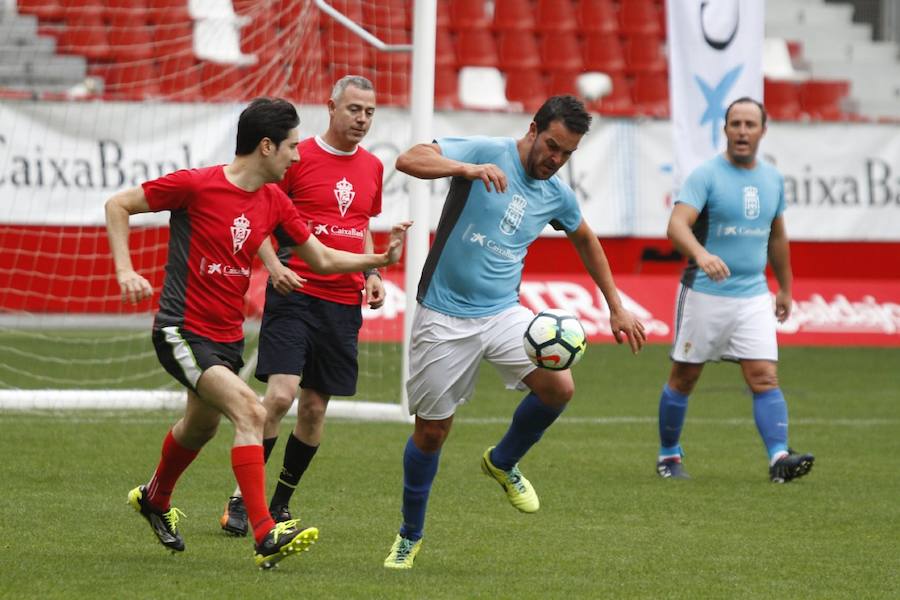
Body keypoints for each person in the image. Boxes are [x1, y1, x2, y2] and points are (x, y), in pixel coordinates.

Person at [106, 97, 410, 569]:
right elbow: (118, 204)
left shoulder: (273, 201)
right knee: (251, 410)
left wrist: (379, 262)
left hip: (227, 338)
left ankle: (155, 497)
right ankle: (265, 530)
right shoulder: (196, 184)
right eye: (290, 147)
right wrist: (126, 270)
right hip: (181, 330)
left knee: (201, 426)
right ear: (266, 146)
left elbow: (323, 259)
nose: (296, 155)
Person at [382, 95, 647, 570]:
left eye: (566, 154)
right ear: (533, 129)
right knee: (431, 433)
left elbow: (584, 237)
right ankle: (410, 534)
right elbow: (408, 158)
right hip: (443, 315)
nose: (555, 159)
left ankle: (502, 462)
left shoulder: (556, 193)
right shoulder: (489, 150)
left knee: (559, 387)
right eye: (551, 146)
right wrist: (465, 169)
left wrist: (616, 306)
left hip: (503, 313)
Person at [219, 76, 387, 536]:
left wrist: (372, 273)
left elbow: (360, 225)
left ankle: (281, 501)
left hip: (342, 303)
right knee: (280, 395)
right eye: (354, 109)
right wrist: (272, 264)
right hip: (295, 294)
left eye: (370, 112)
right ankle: (241, 500)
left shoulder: (373, 166)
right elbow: (259, 214)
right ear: (330, 107)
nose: (362, 119)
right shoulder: (297, 157)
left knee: (314, 408)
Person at [654, 97, 814, 483]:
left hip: (754, 295)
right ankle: (669, 456)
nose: (742, 131)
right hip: (704, 293)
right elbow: (676, 225)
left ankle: (779, 458)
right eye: (735, 124)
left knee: (763, 377)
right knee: (684, 378)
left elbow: (777, 236)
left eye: (750, 124)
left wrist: (785, 288)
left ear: (763, 131)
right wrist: (701, 254)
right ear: (724, 130)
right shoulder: (705, 175)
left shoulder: (772, 179)